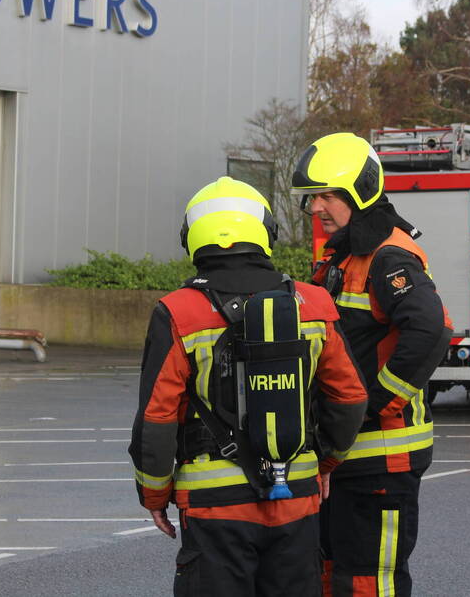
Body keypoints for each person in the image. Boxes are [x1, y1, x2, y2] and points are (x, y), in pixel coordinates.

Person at [129, 176, 368, 596]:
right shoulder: (313, 303)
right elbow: (350, 396)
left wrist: (154, 494)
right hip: (295, 491)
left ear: (191, 238)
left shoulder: (177, 312)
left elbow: (157, 417)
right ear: (265, 233)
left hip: (213, 502)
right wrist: (325, 462)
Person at [291, 133, 453, 596]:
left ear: (359, 191)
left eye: (326, 195)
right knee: (331, 575)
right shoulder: (346, 253)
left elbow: (431, 330)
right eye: (313, 197)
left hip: (381, 455)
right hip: (346, 453)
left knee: (369, 582)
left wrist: (372, 402)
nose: (316, 207)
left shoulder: (388, 257)